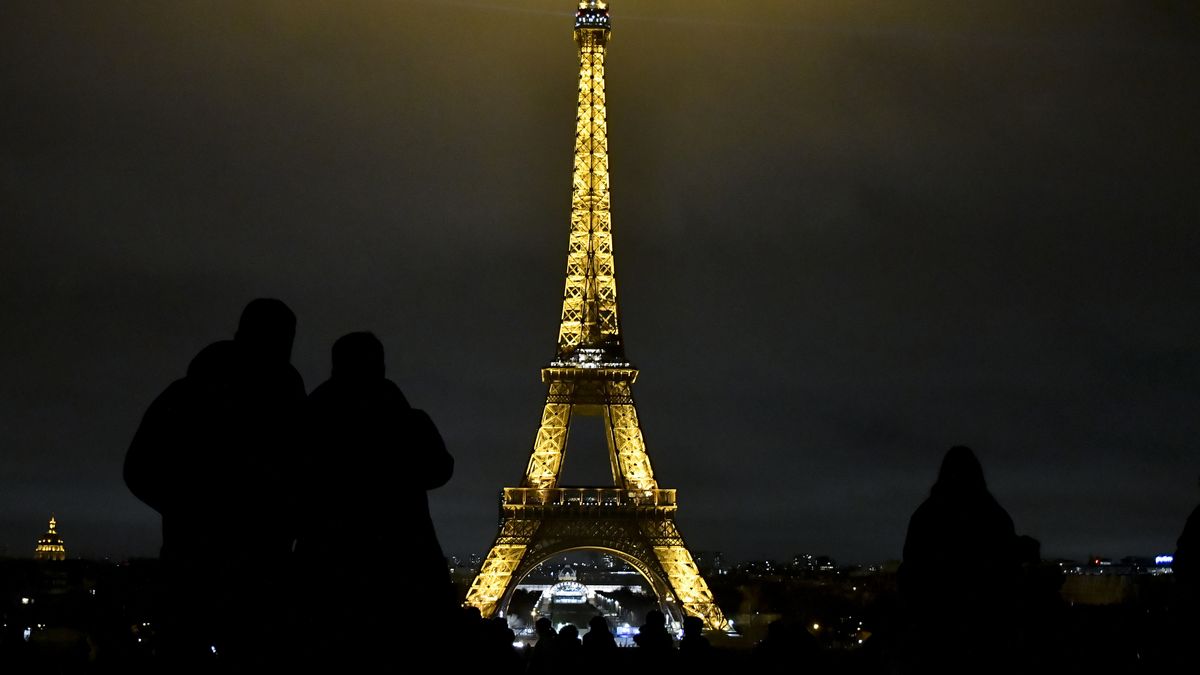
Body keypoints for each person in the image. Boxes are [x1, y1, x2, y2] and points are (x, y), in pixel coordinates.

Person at [124, 299, 306, 671]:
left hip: (191, 565)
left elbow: (138, 468)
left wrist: (186, 512)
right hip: (262, 571)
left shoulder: (188, 394)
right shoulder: (291, 405)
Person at [294, 331, 453, 667]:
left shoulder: (309, 416)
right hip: (403, 559)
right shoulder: (402, 414)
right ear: (380, 365)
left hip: (327, 563)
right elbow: (440, 470)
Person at [898, 446, 1021, 674]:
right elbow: (1009, 572)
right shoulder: (995, 516)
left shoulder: (926, 516)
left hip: (934, 626)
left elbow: (911, 570)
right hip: (988, 626)